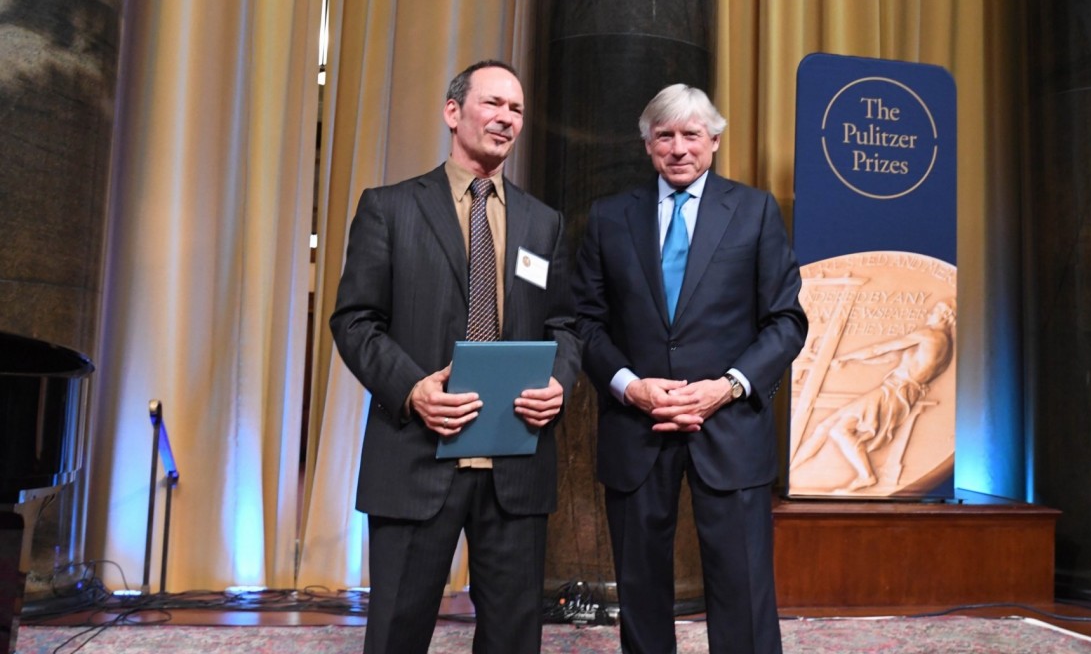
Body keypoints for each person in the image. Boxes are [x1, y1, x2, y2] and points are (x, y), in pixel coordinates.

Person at [330, 60, 581, 654]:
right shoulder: (389, 208)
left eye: (516, 109)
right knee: (397, 631)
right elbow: (355, 320)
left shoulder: (543, 225)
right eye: (493, 103)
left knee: (514, 638)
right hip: (417, 455)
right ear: (453, 112)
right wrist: (414, 389)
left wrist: (560, 383)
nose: (506, 119)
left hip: (515, 463)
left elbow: (566, 326)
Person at [572, 84, 808, 654]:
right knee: (640, 585)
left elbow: (786, 321)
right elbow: (583, 323)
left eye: (691, 135)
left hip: (728, 426)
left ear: (715, 142)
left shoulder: (754, 211)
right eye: (665, 136)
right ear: (648, 145)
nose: (679, 148)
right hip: (637, 426)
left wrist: (726, 388)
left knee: (743, 585)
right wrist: (631, 387)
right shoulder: (608, 218)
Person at [793, 300, 956, 491]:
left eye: (935, 310)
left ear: (945, 316)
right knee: (826, 426)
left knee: (837, 429)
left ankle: (866, 475)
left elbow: (879, 349)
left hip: (894, 392)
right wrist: (845, 359)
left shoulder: (929, 334)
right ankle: (793, 467)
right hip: (903, 392)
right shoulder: (947, 346)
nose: (930, 313)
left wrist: (843, 358)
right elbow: (889, 358)